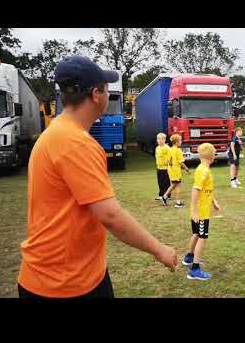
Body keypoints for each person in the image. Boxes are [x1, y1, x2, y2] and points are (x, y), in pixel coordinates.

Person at [18, 56, 177, 299]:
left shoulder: (56, 133)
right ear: (95, 94)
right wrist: (160, 250)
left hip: (74, 275)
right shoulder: (76, 143)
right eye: (107, 89)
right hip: (64, 285)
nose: (108, 94)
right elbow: (110, 215)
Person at [182, 143, 221, 280]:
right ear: (212, 156)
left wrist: (213, 201)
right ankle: (195, 269)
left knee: (196, 234)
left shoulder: (203, 169)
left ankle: (189, 257)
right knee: (203, 238)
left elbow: (205, 190)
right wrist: (194, 211)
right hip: (201, 212)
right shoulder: (203, 171)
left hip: (201, 210)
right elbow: (195, 190)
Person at [162, 134, 189, 207]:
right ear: (176, 142)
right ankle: (178, 203)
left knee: (173, 185)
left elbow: (168, 160)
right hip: (175, 170)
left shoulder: (170, 149)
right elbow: (181, 162)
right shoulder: (178, 150)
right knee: (178, 186)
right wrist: (186, 168)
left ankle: (164, 197)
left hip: (170, 170)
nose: (181, 142)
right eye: (180, 140)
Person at [155, 133, 171, 201]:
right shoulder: (157, 148)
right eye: (158, 139)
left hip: (165, 168)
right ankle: (161, 194)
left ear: (164, 140)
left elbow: (170, 157)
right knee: (160, 182)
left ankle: (167, 195)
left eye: (161, 139)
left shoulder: (167, 148)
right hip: (159, 168)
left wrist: (167, 164)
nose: (160, 140)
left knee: (165, 182)